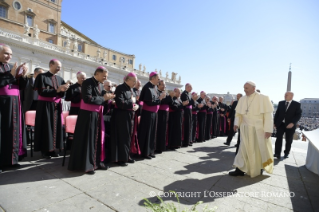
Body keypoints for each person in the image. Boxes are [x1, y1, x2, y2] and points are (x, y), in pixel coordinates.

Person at [68, 66, 114, 174]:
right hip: (87, 116)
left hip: (96, 115)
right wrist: (104, 98)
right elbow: (87, 98)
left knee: (96, 139)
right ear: (97, 74)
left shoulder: (100, 85)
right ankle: (87, 165)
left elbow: (101, 100)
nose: (105, 78)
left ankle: (96, 162)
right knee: (88, 140)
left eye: (106, 76)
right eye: (104, 76)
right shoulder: (87, 82)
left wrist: (108, 99)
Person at [229, 81, 274, 178]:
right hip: (245, 128)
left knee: (259, 150)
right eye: (244, 88)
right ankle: (240, 169)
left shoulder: (264, 98)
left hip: (259, 129)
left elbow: (268, 115)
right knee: (242, 149)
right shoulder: (242, 99)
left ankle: (260, 168)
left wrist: (268, 129)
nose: (244, 90)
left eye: (246, 88)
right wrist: (236, 124)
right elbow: (238, 114)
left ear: (254, 88)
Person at [0, 44, 28, 173]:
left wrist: (22, 76)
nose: (9, 56)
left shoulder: (12, 67)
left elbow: (21, 86)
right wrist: (11, 75)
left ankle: (12, 160)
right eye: (6, 53)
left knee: (13, 132)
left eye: (10, 54)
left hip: (15, 103)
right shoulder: (10, 70)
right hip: (2, 103)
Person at [34, 59, 69, 158]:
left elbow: (62, 94)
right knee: (46, 127)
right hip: (45, 106)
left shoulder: (60, 79)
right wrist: (57, 90)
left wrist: (64, 90)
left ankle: (53, 149)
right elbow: (41, 92)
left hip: (56, 106)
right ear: (51, 65)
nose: (59, 69)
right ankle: (45, 150)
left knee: (56, 127)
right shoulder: (42, 76)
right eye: (57, 66)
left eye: (60, 67)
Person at [109, 72, 139, 166]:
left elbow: (133, 102)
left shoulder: (131, 89)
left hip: (130, 115)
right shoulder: (120, 88)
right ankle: (121, 158)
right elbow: (120, 103)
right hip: (121, 117)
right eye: (134, 81)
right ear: (128, 80)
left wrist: (136, 106)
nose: (135, 83)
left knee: (128, 137)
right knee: (122, 137)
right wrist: (132, 102)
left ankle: (127, 156)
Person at [138, 72, 165, 159]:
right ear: (153, 78)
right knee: (147, 133)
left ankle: (150, 151)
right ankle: (144, 153)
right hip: (147, 114)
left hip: (153, 114)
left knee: (152, 133)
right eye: (158, 78)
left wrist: (159, 99)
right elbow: (149, 103)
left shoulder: (154, 87)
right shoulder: (147, 87)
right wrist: (160, 98)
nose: (159, 80)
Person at [274, 92, 302, 159]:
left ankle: (286, 153)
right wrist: (275, 123)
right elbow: (277, 113)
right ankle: (277, 153)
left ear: (291, 96)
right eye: (284, 95)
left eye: (286, 95)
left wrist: (293, 123)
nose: (285, 96)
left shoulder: (297, 104)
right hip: (280, 124)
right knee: (278, 138)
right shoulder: (281, 103)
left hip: (290, 125)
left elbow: (298, 115)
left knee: (288, 139)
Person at [156, 80, 174, 153]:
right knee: (159, 130)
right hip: (160, 113)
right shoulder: (157, 92)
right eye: (162, 85)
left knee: (164, 130)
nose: (164, 86)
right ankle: (158, 147)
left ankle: (163, 146)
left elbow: (170, 103)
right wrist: (169, 97)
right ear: (158, 85)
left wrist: (171, 97)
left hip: (166, 114)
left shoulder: (164, 93)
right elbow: (161, 101)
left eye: (165, 85)